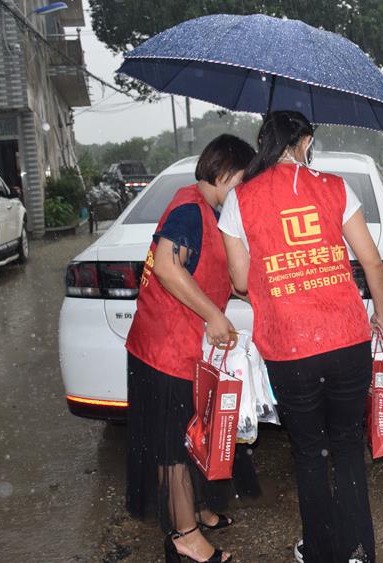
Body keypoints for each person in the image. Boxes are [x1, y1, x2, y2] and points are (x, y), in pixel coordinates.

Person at [220, 111, 383, 563]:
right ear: (306, 141)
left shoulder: (241, 199)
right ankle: (359, 551)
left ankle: (321, 552)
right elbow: (371, 262)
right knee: (349, 446)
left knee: (310, 451)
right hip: (347, 337)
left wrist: (275, 269)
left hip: (289, 346)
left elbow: (238, 280)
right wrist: (382, 315)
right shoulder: (335, 188)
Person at [125, 134, 256, 563]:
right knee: (173, 449)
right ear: (222, 173)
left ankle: (198, 510)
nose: (246, 188)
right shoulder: (188, 210)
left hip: (184, 347)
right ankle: (184, 537)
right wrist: (214, 315)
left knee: (193, 435)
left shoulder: (213, 211)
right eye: (243, 178)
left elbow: (222, 276)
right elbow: (166, 266)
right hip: (164, 351)